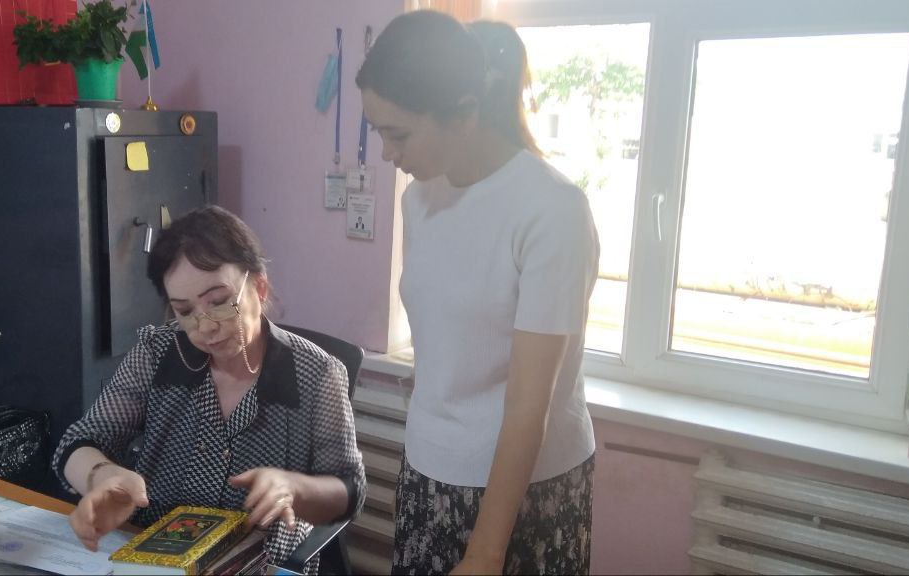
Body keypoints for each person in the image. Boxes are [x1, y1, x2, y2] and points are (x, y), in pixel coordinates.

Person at [357, 12, 600, 576]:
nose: (387, 153)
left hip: (522, 487)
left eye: (399, 134)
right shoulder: (419, 198)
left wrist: (485, 553)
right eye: (377, 131)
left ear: (464, 113)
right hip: (429, 469)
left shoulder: (551, 209)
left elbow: (529, 407)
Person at [51, 206, 366, 571]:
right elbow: (80, 441)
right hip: (155, 557)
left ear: (259, 287)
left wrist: (294, 489)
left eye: (218, 303)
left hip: (258, 563)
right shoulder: (158, 352)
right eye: (185, 311)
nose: (205, 327)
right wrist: (101, 476)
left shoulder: (316, 373)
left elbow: (349, 491)